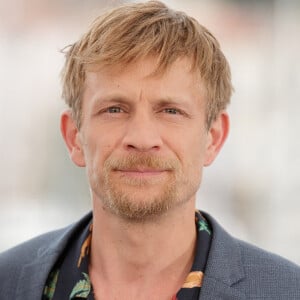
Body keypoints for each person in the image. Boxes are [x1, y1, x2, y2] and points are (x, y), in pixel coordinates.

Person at [0, 1, 299, 299]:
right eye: (114, 109)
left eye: (170, 111)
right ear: (74, 137)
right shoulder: (7, 283)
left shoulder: (287, 291)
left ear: (213, 138)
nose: (142, 138)